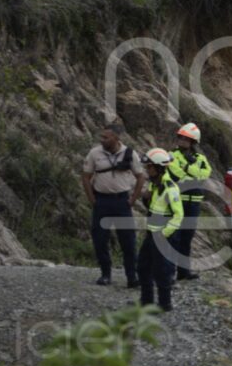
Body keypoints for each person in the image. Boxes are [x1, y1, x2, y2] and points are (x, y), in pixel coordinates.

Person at [81, 123, 145, 287]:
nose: (102, 140)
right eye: (102, 136)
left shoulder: (130, 154)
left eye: (106, 137)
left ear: (116, 138)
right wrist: (92, 200)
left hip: (122, 202)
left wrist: (132, 200)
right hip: (101, 201)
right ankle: (105, 274)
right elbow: (86, 177)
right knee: (100, 239)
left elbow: (140, 177)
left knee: (128, 242)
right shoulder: (95, 153)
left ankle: (132, 277)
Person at [138, 148, 184, 312]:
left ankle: (165, 304)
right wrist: (146, 199)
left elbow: (178, 216)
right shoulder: (154, 186)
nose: (147, 170)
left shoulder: (170, 188)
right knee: (143, 266)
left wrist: (163, 234)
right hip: (152, 233)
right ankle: (146, 301)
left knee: (161, 270)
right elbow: (154, 209)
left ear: (158, 168)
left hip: (163, 235)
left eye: (149, 167)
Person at [168, 122, 212, 281]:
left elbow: (204, 175)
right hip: (177, 201)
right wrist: (190, 170)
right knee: (175, 237)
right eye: (180, 137)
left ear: (193, 142)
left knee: (187, 238)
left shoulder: (201, 158)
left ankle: (183, 271)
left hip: (194, 203)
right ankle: (170, 271)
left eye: (185, 139)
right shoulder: (171, 155)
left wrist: (188, 170)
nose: (182, 141)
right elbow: (177, 174)